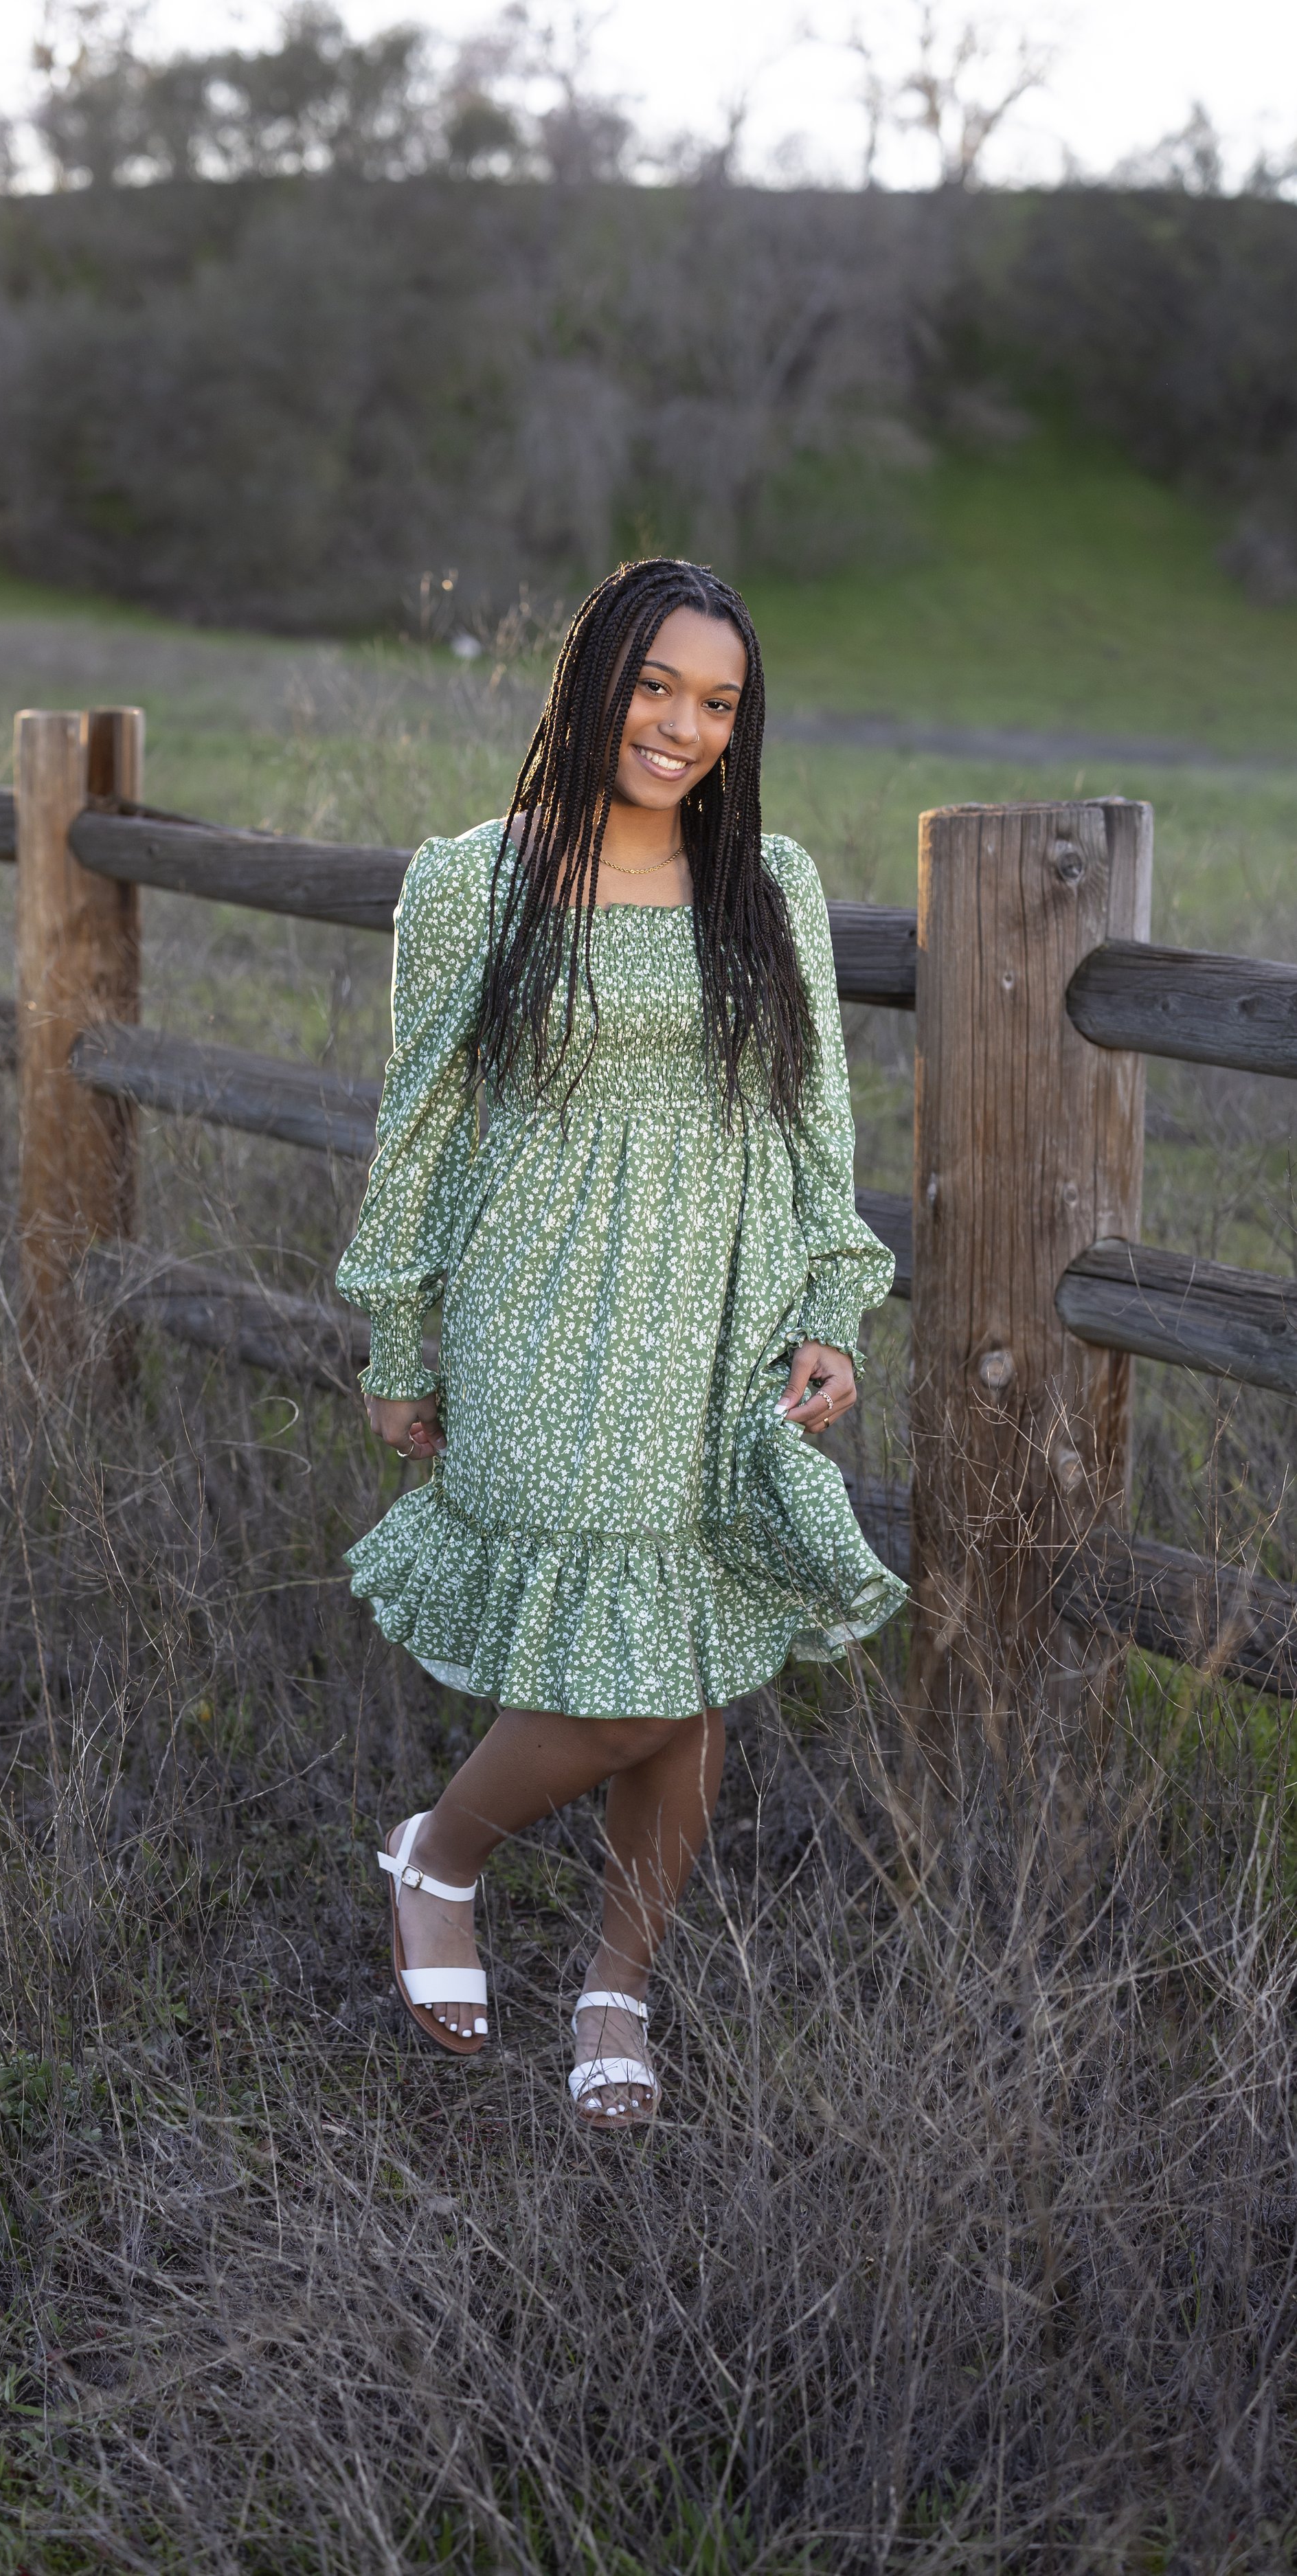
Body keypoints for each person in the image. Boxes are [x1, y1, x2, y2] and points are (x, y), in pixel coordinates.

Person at [335, 557, 903, 2129]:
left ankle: (613, 1988)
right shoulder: (473, 879)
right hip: (539, 1295)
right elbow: (425, 1117)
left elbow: (807, 1114)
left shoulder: (762, 880)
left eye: (715, 702)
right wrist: (400, 1328)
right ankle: (438, 1853)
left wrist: (824, 1308)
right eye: (655, 686)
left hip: (717, 1302)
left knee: (692, 1649)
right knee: (626, 1678)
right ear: (590, 679)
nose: (681, 727)